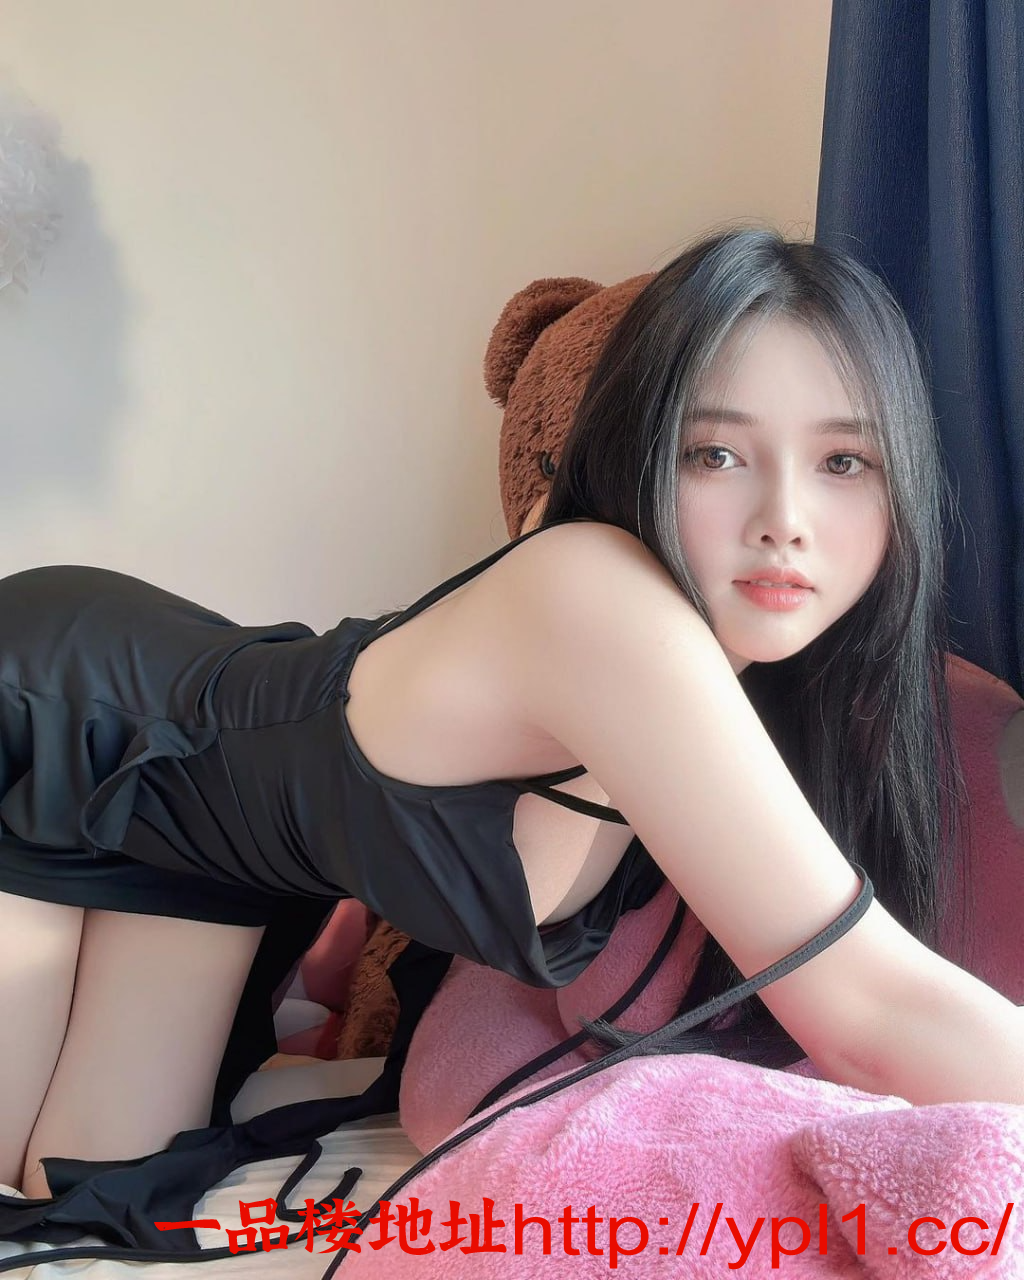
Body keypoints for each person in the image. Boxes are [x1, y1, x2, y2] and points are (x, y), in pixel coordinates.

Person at [2, 226, 1023, 1213]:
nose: (785, 520)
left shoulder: (733, 659)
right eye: (714, 453)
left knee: (80, 1191)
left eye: (843, 462)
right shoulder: (595, 598)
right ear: (639, 455)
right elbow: (869, 1006)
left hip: (191, 838)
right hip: (54, 708)